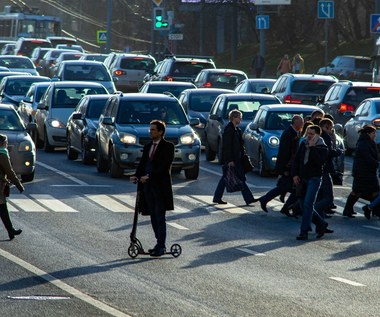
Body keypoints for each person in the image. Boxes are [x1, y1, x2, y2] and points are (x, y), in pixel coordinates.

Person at [130, 120, 175, 257]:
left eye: (153, 130)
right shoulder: (148, 145)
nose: (151, 132)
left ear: (161, 132)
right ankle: (158, 243)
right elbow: (143, 163)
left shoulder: (168, 147)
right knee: (153, 217)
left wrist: (149, 176)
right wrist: (137, 175)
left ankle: (161, 246)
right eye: (150, 130)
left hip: (160, 188)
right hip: (148, 188)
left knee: (160, 217)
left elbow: (163, 167)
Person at [257, 115, 304, 215]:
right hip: (287, 166)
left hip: (291, 166)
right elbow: (284, 153)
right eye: (301, 122)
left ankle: (284, 206)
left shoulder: (296, 133)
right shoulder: (288, 134)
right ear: (295, 123)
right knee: (288, 188)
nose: (302, 124)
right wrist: (284, 169)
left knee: (291, 188)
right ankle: (267, 200)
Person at [292, 125, 331, 240]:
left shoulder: (322, 147)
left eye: (311, 134)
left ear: (318, 135)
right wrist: (294, 174)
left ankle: (304, 231)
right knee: (303, 204)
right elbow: (297, 160)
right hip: (302, 178)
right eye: (308, 133)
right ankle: (321, 223)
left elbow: (320, 162)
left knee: (308, 203)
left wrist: (313, 148)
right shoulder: (303, 144)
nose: (308, 136)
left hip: (314, 178)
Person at [213, 109, 256, 206]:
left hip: (237, 158)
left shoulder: (237, 130)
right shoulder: (229, 130)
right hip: (233, 159)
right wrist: (229, 160)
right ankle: (249, 198)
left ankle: (217, 197)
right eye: (239, 117)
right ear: (233, 118)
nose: (240, 119)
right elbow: (227, 147)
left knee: (225, 178)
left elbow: (240, 145)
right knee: (240, 178)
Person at [343, 125, 379, 218]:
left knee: (373, 191)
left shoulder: (368, 142)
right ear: (368, 133)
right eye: (373, 133)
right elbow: (367, 158)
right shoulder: (363, 143)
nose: (375, 135)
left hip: (367, 171)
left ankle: (372, 209)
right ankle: (349, 209)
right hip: (363, 172)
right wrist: (376, 163)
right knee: (358, 191)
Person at [0, 134, 24, 240]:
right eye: (6, 142)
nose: (7, 145)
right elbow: (9, 171)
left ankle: (11, 231)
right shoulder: (2, 154)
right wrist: (19, 185)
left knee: (2, 208)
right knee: (2, 209)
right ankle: (10, 230)